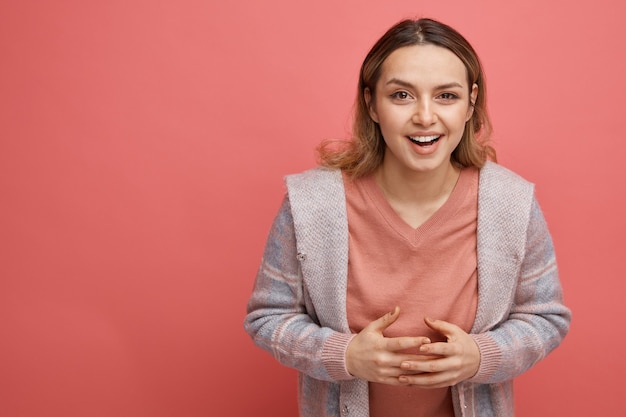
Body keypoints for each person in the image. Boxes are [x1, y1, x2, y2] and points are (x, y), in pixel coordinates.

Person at [244, 17, 571, 417]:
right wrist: (345, 355)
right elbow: (268, 317)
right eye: (401, 95)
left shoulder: (512, 203)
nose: (425, 116)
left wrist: (481, 356)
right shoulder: (310, 203)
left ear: (471, 103)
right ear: (371, 104)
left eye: (446, 96)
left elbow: (546, 317)